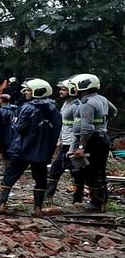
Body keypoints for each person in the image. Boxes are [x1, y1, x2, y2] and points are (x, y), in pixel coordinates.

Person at [0, 79, 62, 217]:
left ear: (37, 91)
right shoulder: (55, 111)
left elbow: (18, 127)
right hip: (43, 151)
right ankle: (37, 208)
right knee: (41, 178)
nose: (26, 93)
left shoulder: (28, 108)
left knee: (10, 175)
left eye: (28, 90)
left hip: (24, 148)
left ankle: (1, 203)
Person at [68, 73, 117, 211]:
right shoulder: (101, 99)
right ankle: (102, 201)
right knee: (100, 171)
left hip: (92, 140)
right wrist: (103, 125)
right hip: (102, 137)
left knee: (92, 171)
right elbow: (114, 111)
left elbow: (87, 128)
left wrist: (81, 146)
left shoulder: (87, 103)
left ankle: (96, 203)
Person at [44, 79, 81, 207]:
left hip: (72, 145)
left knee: (77, 173)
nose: (60, 91)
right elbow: (63, 125)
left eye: (64, 89)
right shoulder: (66, 104)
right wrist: (59, 139)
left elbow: (78, 129)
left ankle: (77, 200)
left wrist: (73, 146)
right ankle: (48, 198)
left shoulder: (76, 106)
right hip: (65, 143)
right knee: (55, 170)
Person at [0, 94, 17, 160]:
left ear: (1, 100)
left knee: (6, 154)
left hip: (5, 135)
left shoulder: (2, 111)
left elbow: (1, 124)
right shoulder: (15, 109)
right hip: (14, 134)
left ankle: (6, 168)